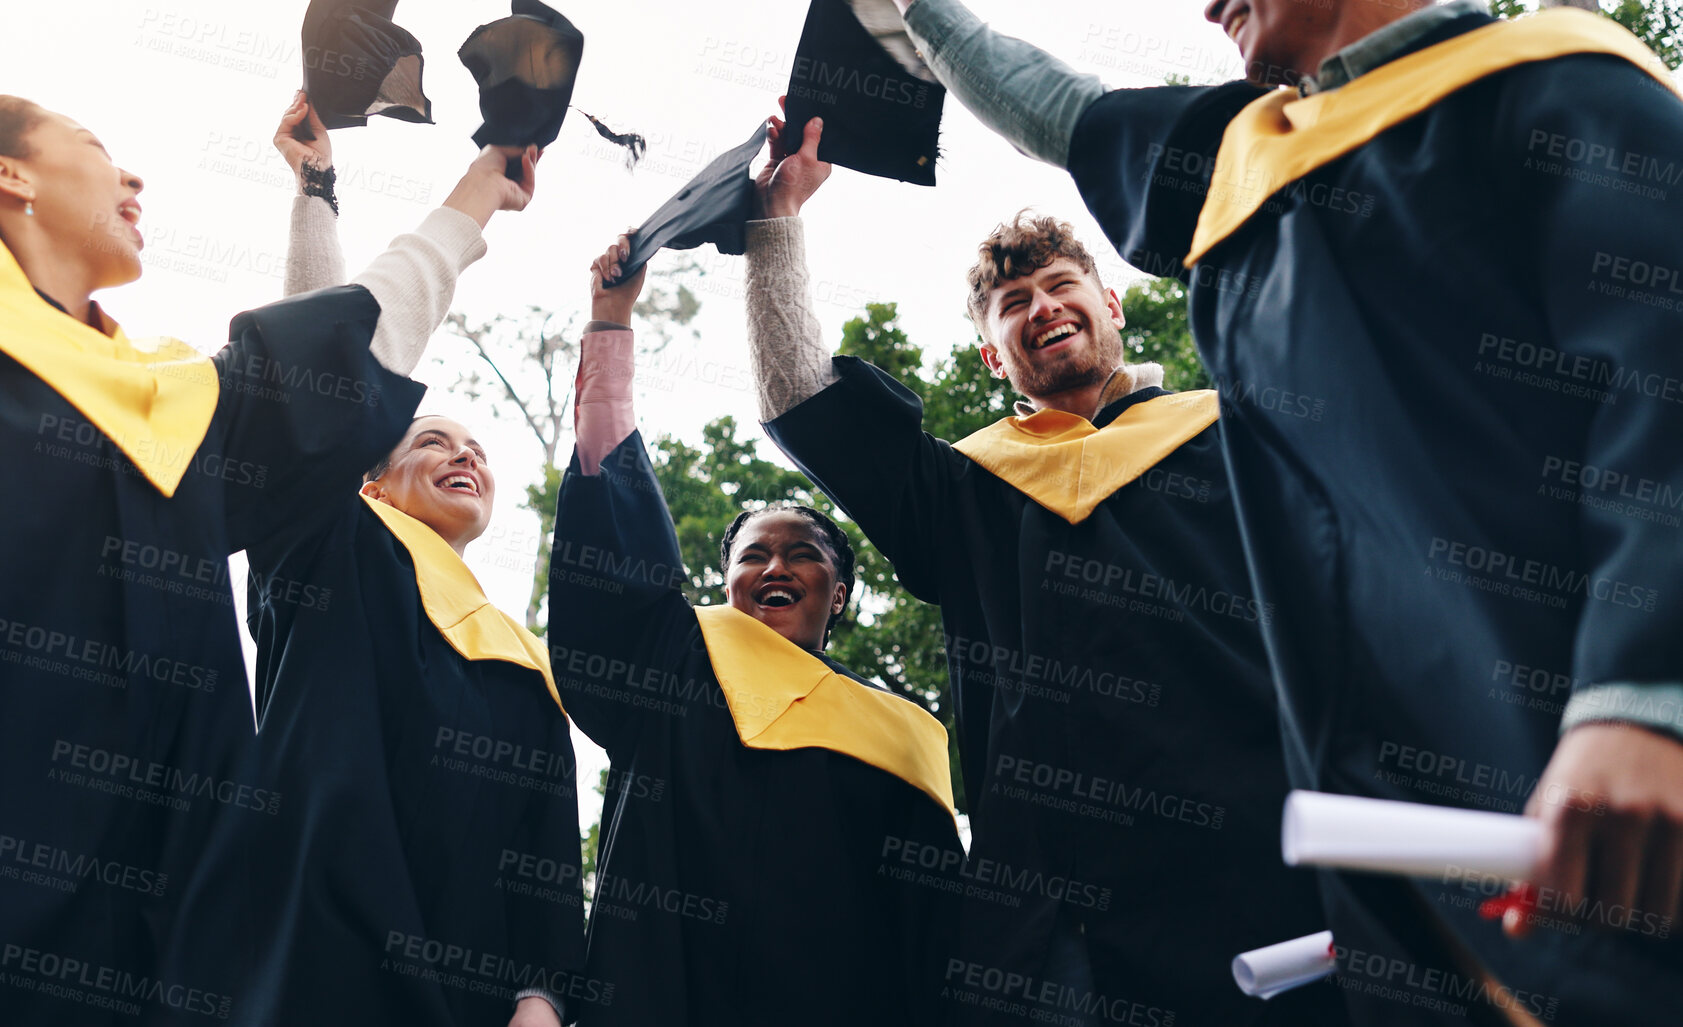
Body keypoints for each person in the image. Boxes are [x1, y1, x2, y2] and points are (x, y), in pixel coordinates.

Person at [882, 0, 1683, 1022]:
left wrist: (1647, 692)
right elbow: (1066, 112)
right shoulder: (1246, 167)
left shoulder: (1556, 86)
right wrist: (915, 15)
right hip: (1414, 857)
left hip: (1613, 763)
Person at [0, 90, 534, 1026]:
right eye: (94, 147)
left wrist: (478, 189)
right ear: (6, 174)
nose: (133, 175)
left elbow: (340, 357)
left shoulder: (164, 407)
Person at [750, 115, 1344, 1024]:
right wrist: (777, 220)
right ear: (994, 356)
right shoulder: (965, 488)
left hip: (1266, 856)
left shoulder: (1235, 434)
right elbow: (803, 394)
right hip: (1053, 913)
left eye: (1062, 286)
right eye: (1014, 304)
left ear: (1110, 304)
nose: (1043, 308)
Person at [158, 95, 579, 1027]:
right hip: (314, 962)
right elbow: (319, 396)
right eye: (432, 439)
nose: (465, 455)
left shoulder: (520, 653)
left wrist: (541, 996)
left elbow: (543, 854)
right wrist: (316, 193)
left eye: (476, 449)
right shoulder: (334, 543)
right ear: (372, 482)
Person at [544, 233, 961, 1027]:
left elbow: (933, 949)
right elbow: (614, 529)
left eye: (802, 555)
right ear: (724, 580)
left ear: (838, 594)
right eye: (752, 554)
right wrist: (609, 326)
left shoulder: (905, 736)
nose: (776, 567)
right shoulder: (670, 655)